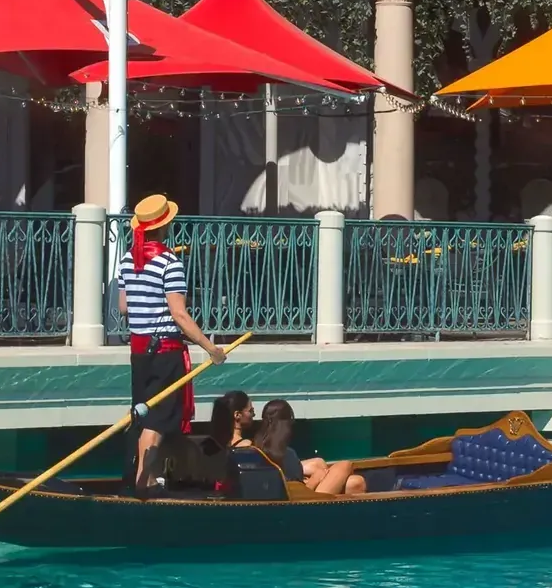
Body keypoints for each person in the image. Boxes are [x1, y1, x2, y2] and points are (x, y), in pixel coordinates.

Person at [120, 194, 226, 491]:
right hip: (165, 352)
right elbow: (179, 314)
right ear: (166, 225)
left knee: (143, 414)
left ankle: (143, 477)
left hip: (139, 351)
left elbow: (123, 306)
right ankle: (145, 482)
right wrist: (211, 348)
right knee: (157, 418)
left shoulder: (128, 260)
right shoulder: (170, 262)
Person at [241, 397, 367, 499]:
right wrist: (316, 478)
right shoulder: (287, 454)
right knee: (345, 465)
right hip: (305, 503)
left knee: (354, 482)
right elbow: (298, 492)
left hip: (284, 499)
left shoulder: (257, 449)